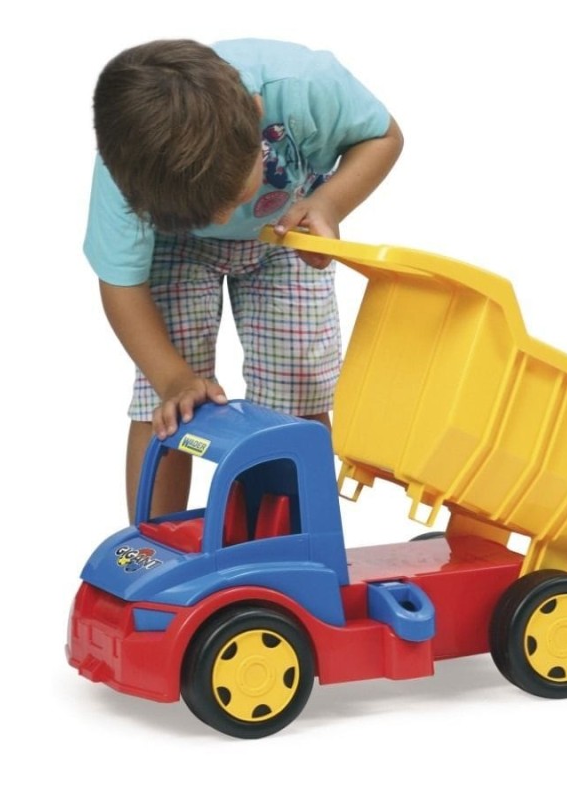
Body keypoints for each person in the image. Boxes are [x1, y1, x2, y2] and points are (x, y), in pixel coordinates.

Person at [84, 38, 403, 520]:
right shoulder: (126, 170)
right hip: (177, 248)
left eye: (232, 196)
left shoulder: (304, 86)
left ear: (256, 114)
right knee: (166, 405)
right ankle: (148, 545)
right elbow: (121, 284)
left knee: (297, 389)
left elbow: (384, 137)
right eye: (205, 212)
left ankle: (294, 540)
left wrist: (328, 204)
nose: (222, 218)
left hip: (286, 232)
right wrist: (173, 378)